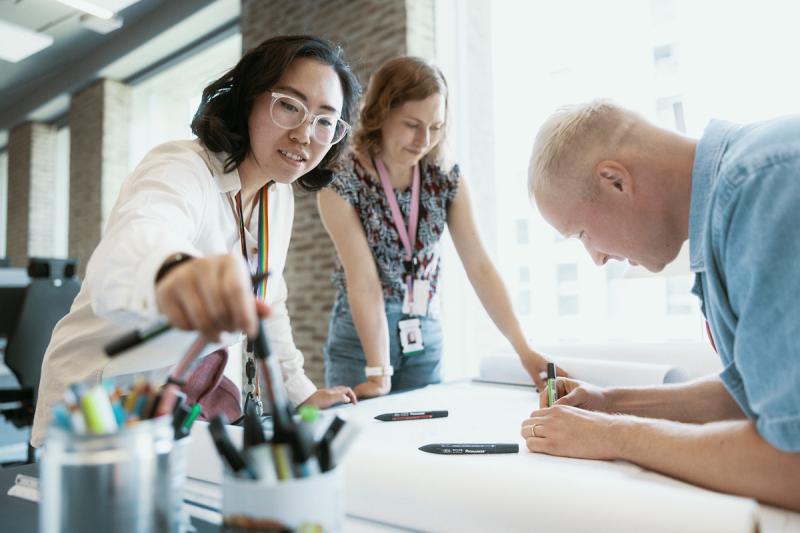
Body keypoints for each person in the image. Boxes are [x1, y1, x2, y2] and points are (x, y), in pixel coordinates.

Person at [31, 35, 360, 448]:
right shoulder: (182, 166)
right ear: (248, 100)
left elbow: (268, 305)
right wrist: (177, 276)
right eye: (289, 106)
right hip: (100, 413)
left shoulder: (278, 195)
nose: (305, 134)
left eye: (325, 120)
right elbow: (137, 240)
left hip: (185, 414)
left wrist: (301, 394)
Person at [521, 99, 800, 510]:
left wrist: (608, 436)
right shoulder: (733, 199)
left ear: (615, 180)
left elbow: (788, 463)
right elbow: (751, 392)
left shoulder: (762, 187)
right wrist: (607, 404)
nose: (596, 258)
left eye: (582, 233)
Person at [317, 56, 560, 399]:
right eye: (412, 124)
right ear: (380, 114)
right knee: (358, 439)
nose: (424, 140)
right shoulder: (341, 181)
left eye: (436, 126)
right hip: (361, 336)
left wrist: (524, 349)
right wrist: (378, 371)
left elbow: (480, 267)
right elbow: (364, 281)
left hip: (424, 330)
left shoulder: (446, 179)